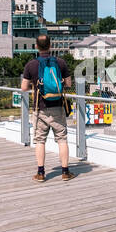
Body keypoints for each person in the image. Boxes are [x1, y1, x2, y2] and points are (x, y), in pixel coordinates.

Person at [20, 34, 73, 182]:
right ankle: (65, 172)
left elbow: (24, 87)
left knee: (40, 140)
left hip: (40, 108)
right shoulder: (61, 63)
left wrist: (35, 84)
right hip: (58, 107)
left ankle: (41, 173)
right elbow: (68, 84)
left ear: (36, 46)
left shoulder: (31, 65)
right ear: (50, 46)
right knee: (62, 139)